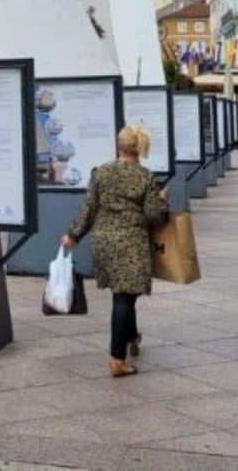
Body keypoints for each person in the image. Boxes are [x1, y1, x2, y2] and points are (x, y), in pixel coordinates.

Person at [59, 124, 169, 378]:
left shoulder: (101, 173)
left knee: (125, 295)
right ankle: (117, 359)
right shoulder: (145, 177)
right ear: (139, 147)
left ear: (119, 145)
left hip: (104, 240)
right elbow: (155, 216)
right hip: (130, 242)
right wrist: (162, 200)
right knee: (123, 298)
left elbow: (88, 208)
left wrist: (73, 235)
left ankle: (131, 336)